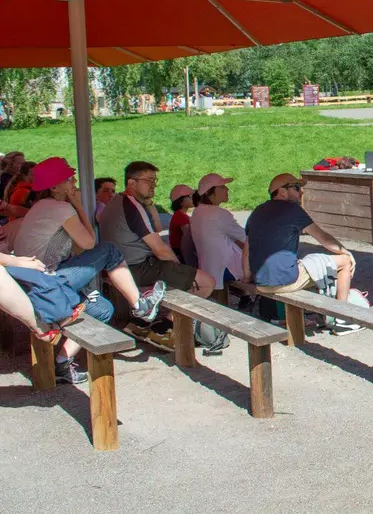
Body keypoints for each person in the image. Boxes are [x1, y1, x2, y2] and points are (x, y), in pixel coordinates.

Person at [7, 157, 165, 383]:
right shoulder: (60, 208)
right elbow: (91, 244)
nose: (74, 181)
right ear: (54, 187)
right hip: (48, 280)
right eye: (69, 178)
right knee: (109, 251)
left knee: (102, 309)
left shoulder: (42, 206)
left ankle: (61, 364)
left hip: (38, 281)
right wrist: (79, 205)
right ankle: (140, 306)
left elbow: (80, 246)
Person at [244, 173, 361, 334]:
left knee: (305, 262)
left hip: (261, 283)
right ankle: (342, 319)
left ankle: (318, 313)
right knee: (344, 262)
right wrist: (347, 252)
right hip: (284, 281)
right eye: (297, 188)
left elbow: (247, 247)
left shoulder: (257, 211)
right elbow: (324, 239)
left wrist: (247, 278)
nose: (301, 192)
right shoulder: (293, 210)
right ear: (282, 192)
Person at [99, 161, 216, 299]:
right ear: (131, 183)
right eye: (149, 180)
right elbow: (160, 249)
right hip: (137, 268)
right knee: (207, 283)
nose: (154, 184)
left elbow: (157, 228)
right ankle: (170, 318)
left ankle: (166, 316)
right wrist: (181, 272)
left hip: (122, 266)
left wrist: (148, 202)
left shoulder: (119, 200)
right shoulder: (132, 206)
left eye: (155, 180)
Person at [190, 173, 247, 291]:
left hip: (208, 267)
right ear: (209, 192)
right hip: (226, 268)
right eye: (222, 187)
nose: (227, 189)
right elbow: (247, 239)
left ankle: (245, 298)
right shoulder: (219, 214)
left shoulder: (197, 212)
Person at [167, 183, 196, 260]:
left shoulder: (180, 215)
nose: (193, 198)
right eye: (190, 197)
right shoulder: (180, 216)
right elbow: (187, 238)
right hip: (180, 252)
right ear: (180, 202)